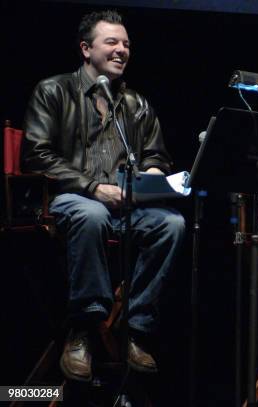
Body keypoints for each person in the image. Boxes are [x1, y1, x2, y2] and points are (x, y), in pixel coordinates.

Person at [22, 10, 185, 381]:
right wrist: (93, 187)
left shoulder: (136, 104)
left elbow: (155, 154)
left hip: (125, 205)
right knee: (91, 215)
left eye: (126, 43)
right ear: (85, 49)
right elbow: (37, 154)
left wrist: (154, 173)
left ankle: (135, 326)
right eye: (111, 42)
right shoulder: (54, 91)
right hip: (67, 198)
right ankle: (86, 326)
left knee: (171, 224)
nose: (121, 49)